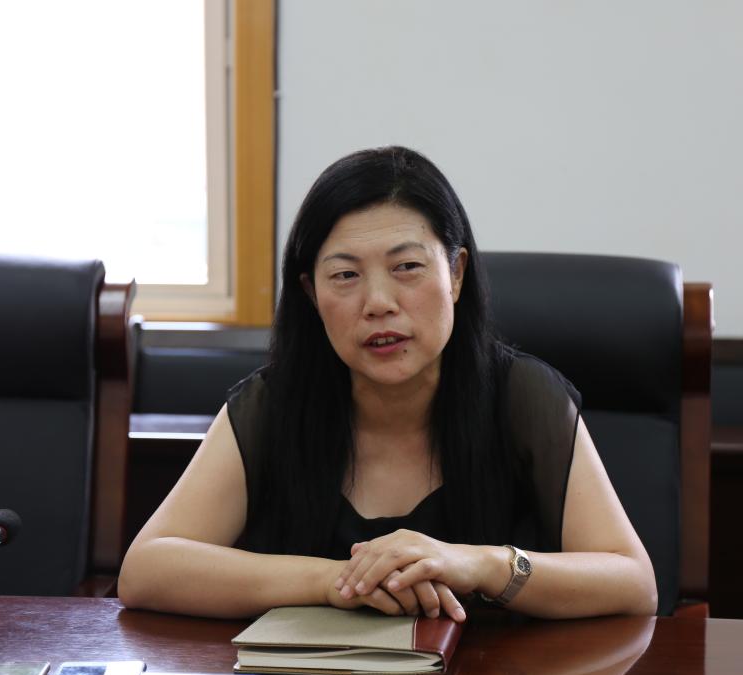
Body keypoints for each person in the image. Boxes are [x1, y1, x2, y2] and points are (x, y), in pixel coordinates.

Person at [118, 146, 657, 621]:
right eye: (345, 275)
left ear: (456, 273)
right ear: (311, 294)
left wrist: (478, 563)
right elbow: (147, 569)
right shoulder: (274, 404)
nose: (378, 303)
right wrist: (337, 581)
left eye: (406, 267)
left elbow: (633, 582)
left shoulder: (523, 397)